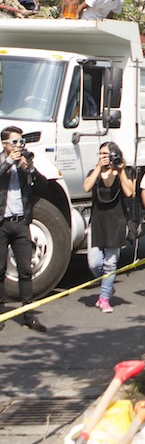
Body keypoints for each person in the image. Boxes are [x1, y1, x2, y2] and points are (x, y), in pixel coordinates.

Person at [0, 126, 49, 331]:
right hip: (2, 223)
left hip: (21, 223)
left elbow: (43, 186)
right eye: (15, 142)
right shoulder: (4, 162)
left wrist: (30, 169)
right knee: (0, 270)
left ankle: (28, 314)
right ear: (4, 144)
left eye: (21, 142)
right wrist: (9, 161)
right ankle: (2, 313)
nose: (19, 146)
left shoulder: (23, 166)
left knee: (25, 270)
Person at [82, 141, 135, 312]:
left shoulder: (124, 172)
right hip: (97, 221)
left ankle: (104, 298)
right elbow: (86, 187)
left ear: (115, 154)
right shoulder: (95, 172)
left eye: (106, 154)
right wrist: (99, 167)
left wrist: (120, 171)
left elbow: (129, 193)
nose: (103, 157)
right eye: (101, 154)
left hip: (116, 221)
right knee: (94, 263)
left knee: (111, 263)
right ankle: (108, 283)